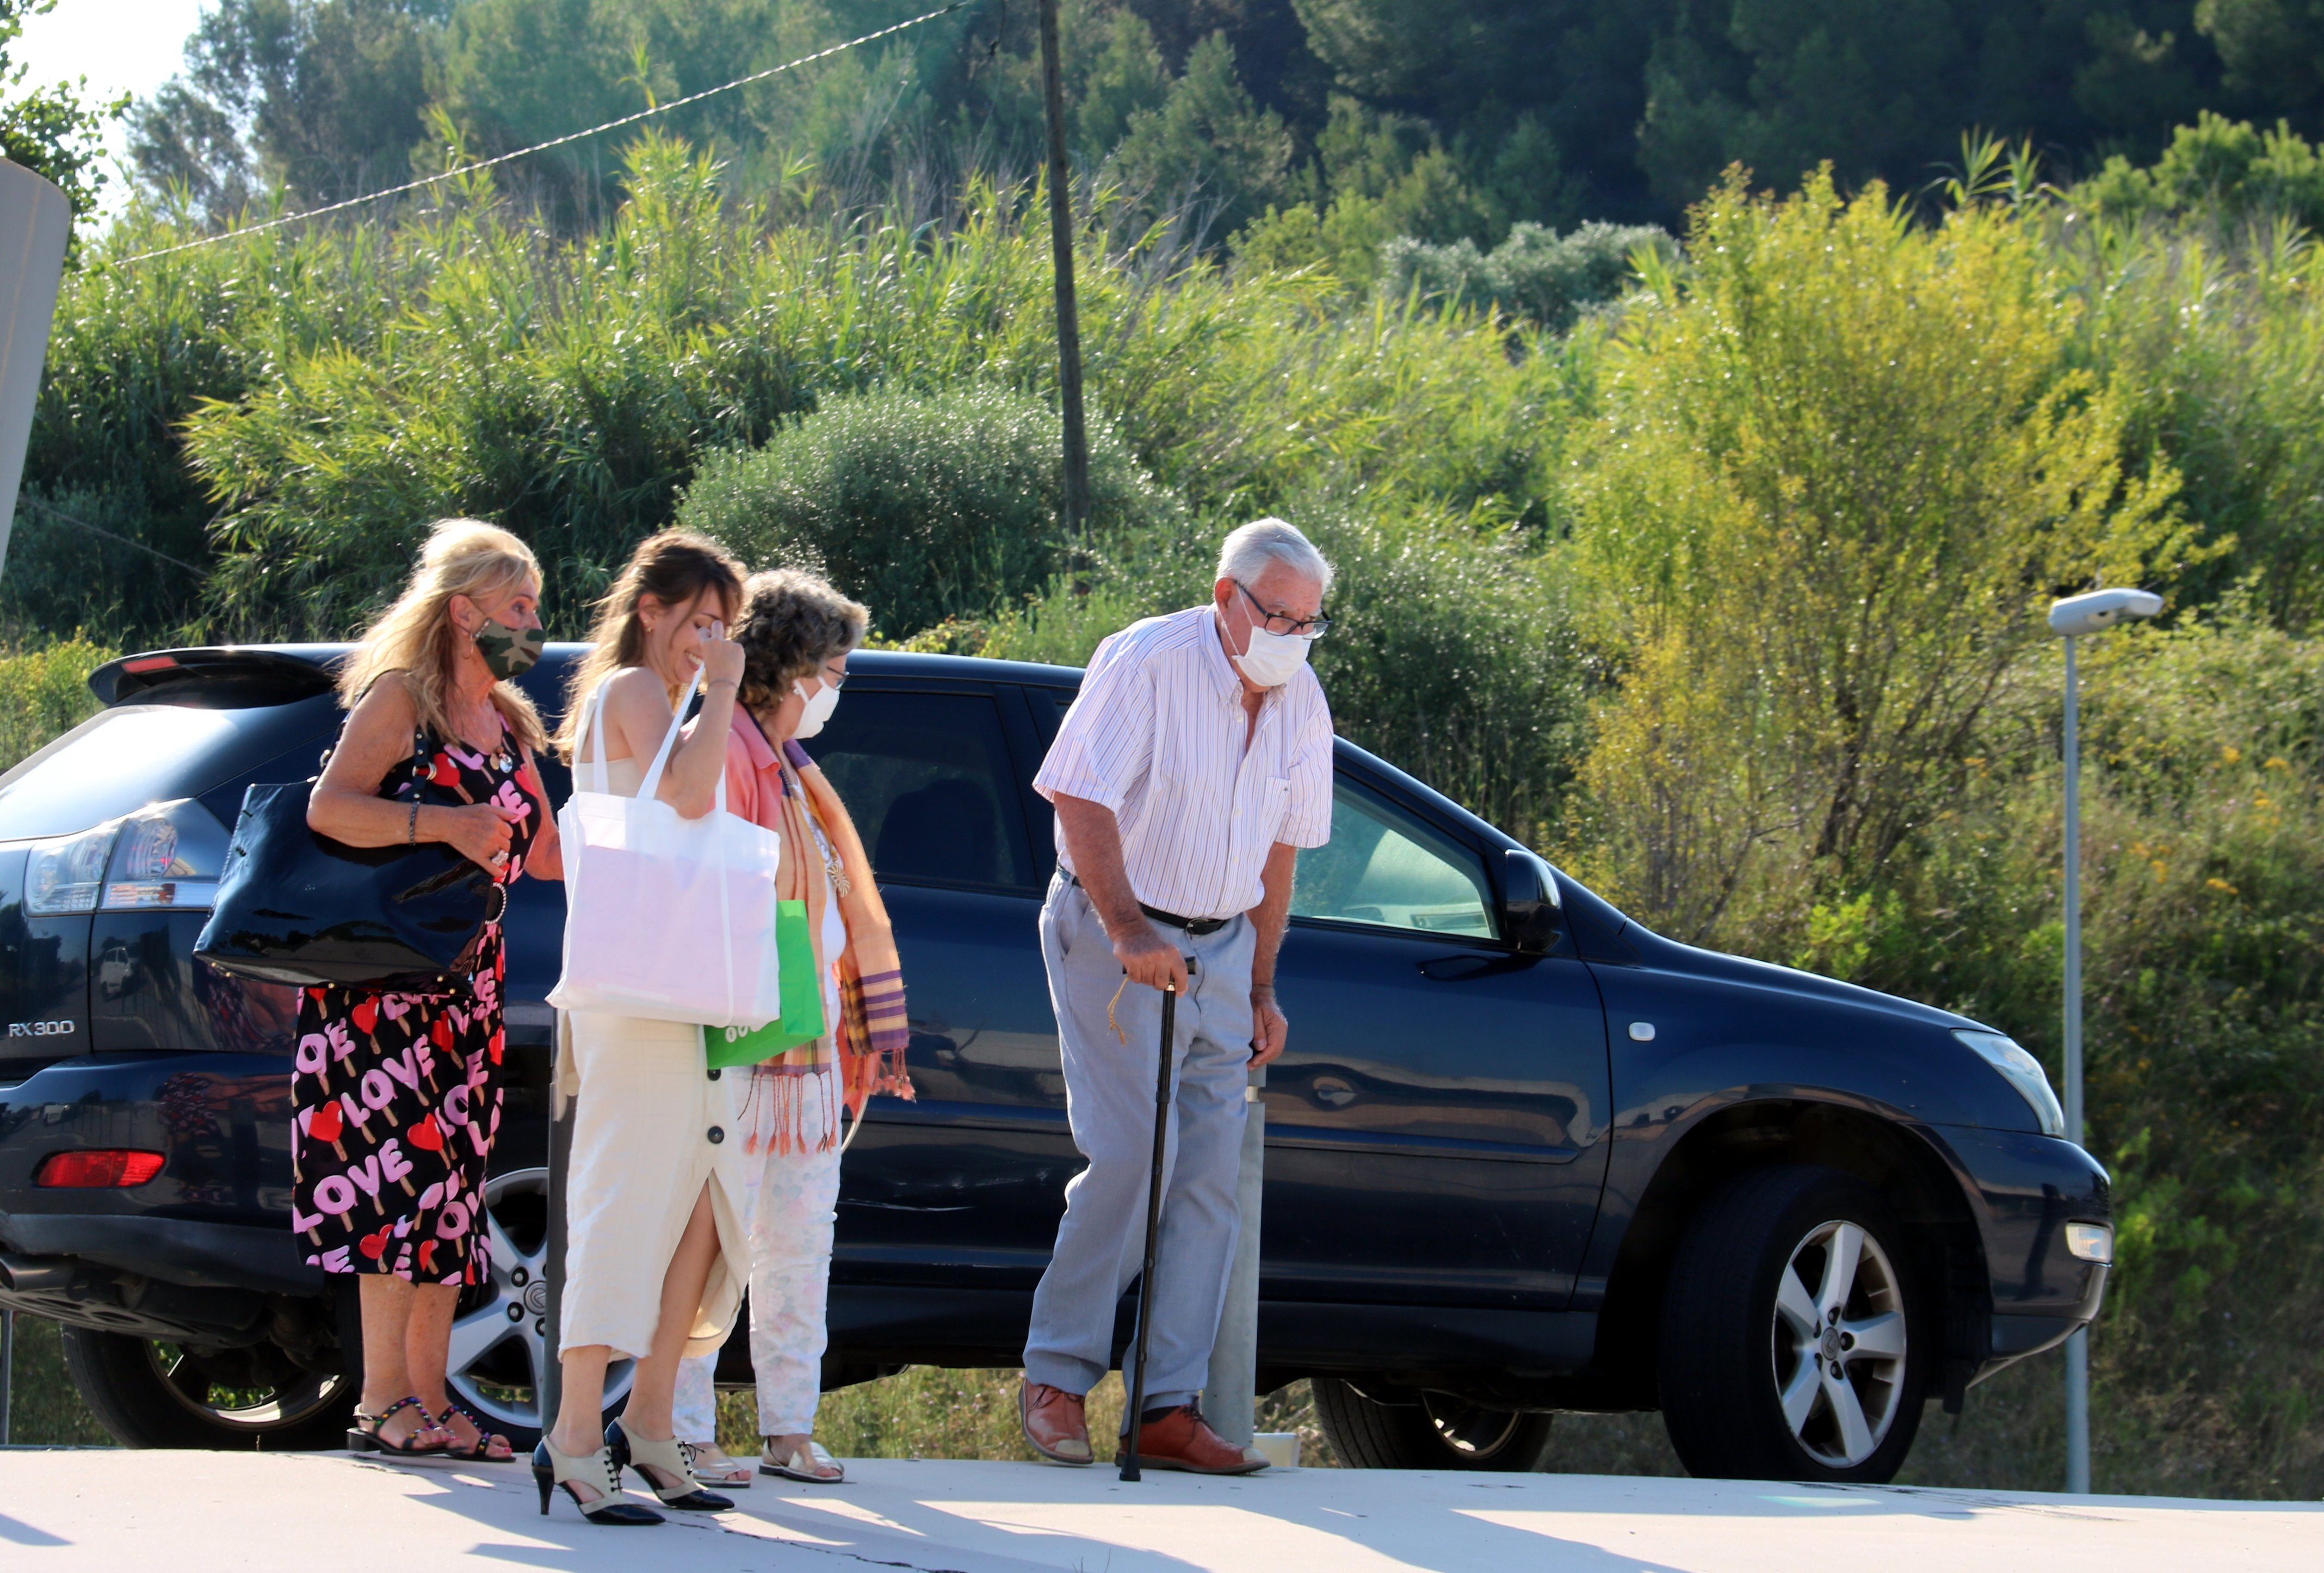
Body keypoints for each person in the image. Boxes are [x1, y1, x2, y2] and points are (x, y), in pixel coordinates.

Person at [1019, 517, 1336, 1473]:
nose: (1290, 636)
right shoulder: (1149, 659)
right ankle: (1057, 1378)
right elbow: (1080, 793)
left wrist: (1266, 985)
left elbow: (1281, 851)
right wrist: (1125, 930)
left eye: (1308, 623)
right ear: (1225, 597)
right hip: (1121, 932)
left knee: (1206, 1182)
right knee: (1133, 1158)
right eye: (1276, 616)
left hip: (1227, 950)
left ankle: (1167, 1403)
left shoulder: (1300, 695)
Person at [296, 519, 561, 1464]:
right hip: (382, 988)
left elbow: (547, 853)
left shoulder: (510, 719)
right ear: (464, 610)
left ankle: (431, 1404)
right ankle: (379, 1404)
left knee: (450, 1202)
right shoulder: (402, 700)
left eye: (534, 605)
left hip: (469, 992)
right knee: (392, 1193)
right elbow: (330, 808)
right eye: (518, 606)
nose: (534, 624)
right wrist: (443, 824)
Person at [668, 568, 914, 1488]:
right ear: (789, 668)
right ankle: (683, 1427)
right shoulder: (725, 750)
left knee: (798, 1243)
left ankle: (788, 1427)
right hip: (737, 1040)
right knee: (710, 1240)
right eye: (834, 670)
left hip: (807, 1050)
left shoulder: (795, 769)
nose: (837, 690)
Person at [535, 532, 753, 1526]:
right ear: (652, 610)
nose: (709, 641)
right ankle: (578, 1439)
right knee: (625, 1203)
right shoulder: (632, 691)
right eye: (699, 621)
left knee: (700, 1207)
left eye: (725, 627)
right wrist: (725, 690)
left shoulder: (658, 700)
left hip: (678, 986)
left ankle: (652, 1426)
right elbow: (690, 793)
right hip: (638, 992)